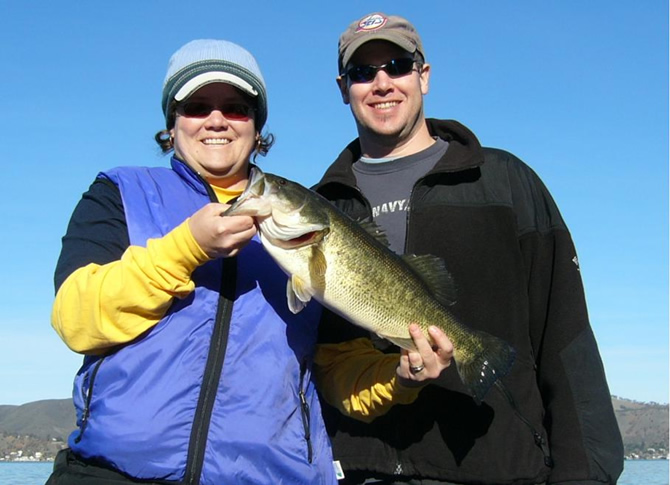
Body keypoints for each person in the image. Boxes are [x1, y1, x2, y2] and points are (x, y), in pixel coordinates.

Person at [312, 12, 624, 485]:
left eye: (397, 65)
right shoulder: (321, 209)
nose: (381, 83)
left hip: (496, 470)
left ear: (424, 75)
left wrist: (587, 473)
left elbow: (565, 337)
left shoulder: (503, 183)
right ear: (343, 88)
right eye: (362, 73)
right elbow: (321, 363)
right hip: (359, 472)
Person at [46, 39, 339, 485]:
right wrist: (188, 247)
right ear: (172, 125)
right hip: (113, 474)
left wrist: (400, 379)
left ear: (257, 127)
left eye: (237, 108)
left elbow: (338, 364)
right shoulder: (120, 191)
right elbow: (75, 319)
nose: (217, 120)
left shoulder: (308, 214)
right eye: (197, 106)